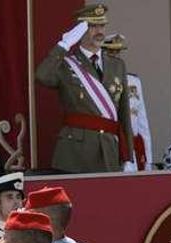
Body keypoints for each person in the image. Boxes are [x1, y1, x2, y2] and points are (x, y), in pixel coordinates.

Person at [35, 4, 134, 173]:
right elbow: (41, 76)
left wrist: (128, 156)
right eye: (92, 26)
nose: (99, 31)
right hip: (76, 152)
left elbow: (124, 113)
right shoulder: (66, 64)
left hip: (109, 150)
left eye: (102, 25)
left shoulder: (117, 65)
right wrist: (64, 45)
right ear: (79, 30)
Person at [102, 34, 153, 171]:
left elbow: (142, 122)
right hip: (112, 148)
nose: (115, 56)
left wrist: (148, 158)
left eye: (117, 52)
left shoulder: (133, 81)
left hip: (133, 150)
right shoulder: (98, 82)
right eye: (110, 52)